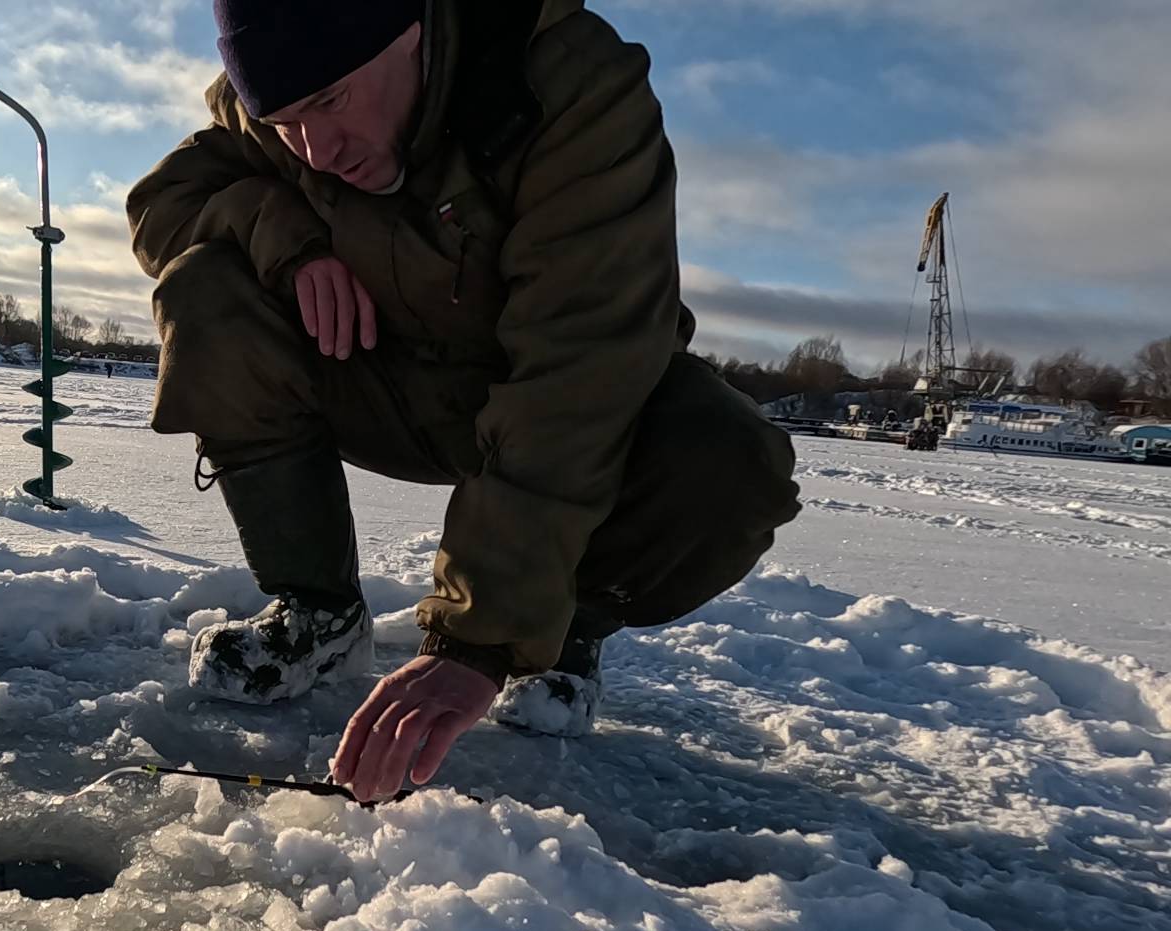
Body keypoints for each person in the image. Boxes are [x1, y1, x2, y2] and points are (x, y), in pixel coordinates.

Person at [126, 0, 800, 802]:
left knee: (726, 461)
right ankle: (318, 609)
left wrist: (476, 643)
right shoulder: (268, 107)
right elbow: (161, 203)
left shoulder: (569, 90)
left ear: (410, 25)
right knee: (204, 290)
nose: (316, 149)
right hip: (379, 377)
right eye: (285, 122)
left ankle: (559, 630)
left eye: (333, 103)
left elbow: (575, 375)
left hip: (544, 395)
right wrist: (288, 244)